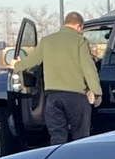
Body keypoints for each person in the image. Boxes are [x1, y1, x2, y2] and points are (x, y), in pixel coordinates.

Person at [26, 12, 101, 146]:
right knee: (80, 137)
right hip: (76, 97)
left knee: (57, 137)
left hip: (52, 97)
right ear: (79, 26)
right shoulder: (80, 41)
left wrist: (16, 65)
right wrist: (96, 92)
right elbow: (88, 68)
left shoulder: (46, 40)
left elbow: (31, 62)